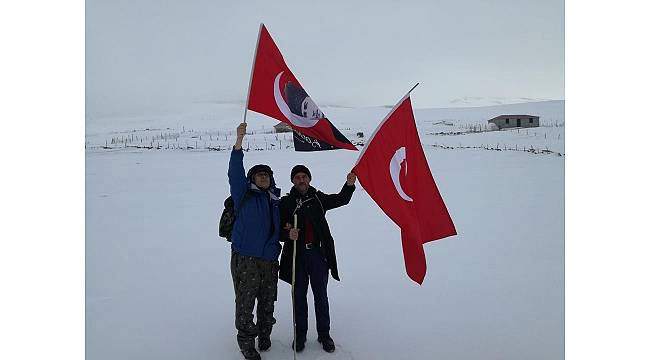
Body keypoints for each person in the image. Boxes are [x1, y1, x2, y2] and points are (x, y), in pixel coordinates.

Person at [279, 164, 356, 353]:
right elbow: (278, 228)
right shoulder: (286, 203)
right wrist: (288, 234)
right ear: (293, 181)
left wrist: (349, 184)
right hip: (297, 256)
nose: (301, 180)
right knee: (299, 297)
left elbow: (341, 199)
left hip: (317, 255)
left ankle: (324, 334)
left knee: (321, 296)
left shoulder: (318, 199)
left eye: (304, 176)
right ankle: (301, 336)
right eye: (297, 177)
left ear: (309, 179)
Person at [228, 122, 281, 360]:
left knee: (268, 301)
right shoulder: (243, 195)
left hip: (269, 259)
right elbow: (234, 172)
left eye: (266, 174)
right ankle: (247, 341)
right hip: (246, 258)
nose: (263, 177)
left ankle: (265, 333)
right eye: (259, 175)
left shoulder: (276, 201)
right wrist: (239, 142)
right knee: (246, 302)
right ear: (252, 179)